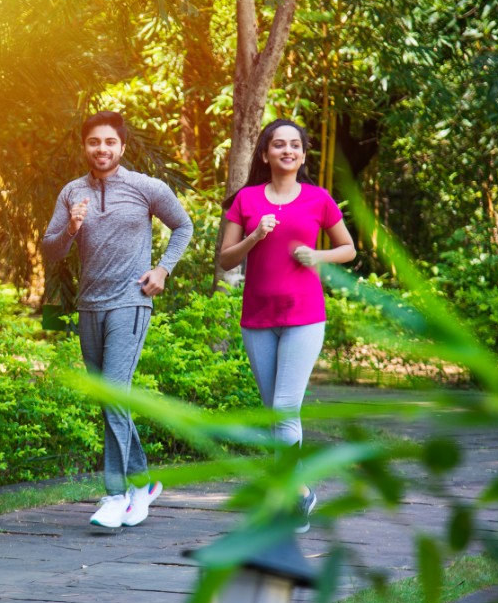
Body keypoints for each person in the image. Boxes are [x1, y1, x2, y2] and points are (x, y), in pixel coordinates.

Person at [43, 110, 193, 528]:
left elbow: (183, 226)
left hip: (131, 301)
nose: (102, 149)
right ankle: (143, 481)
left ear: (122, 147)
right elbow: (51, 250)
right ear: (85, 147)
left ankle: (114, 494)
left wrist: (163, 269)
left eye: (110, 142)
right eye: (94, 142)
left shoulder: (146, 187)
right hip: (90, 305)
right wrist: (72, 228)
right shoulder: (72, 192)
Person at [219, 118, 356, 533]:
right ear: (265, 154)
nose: (287, 151)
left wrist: (318, 256)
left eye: (294, 145)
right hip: (257, 318)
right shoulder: (245, 200)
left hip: (304, 317)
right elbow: (226, 259)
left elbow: (347, 249)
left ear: (302, 154)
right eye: (278, 145)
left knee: (284, 408)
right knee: (274, 413)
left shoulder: (318, 198)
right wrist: (254, 238)